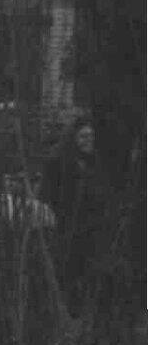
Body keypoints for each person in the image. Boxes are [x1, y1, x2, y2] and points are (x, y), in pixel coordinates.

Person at [38, 119, 109, 310]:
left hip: (89, 228)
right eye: (83, 136)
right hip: (66, 228)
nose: (89, 141)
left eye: (91, 136)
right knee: (67, 274)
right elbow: (47, 195)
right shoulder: (59, 162)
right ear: (73, 139)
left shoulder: (93, 163)